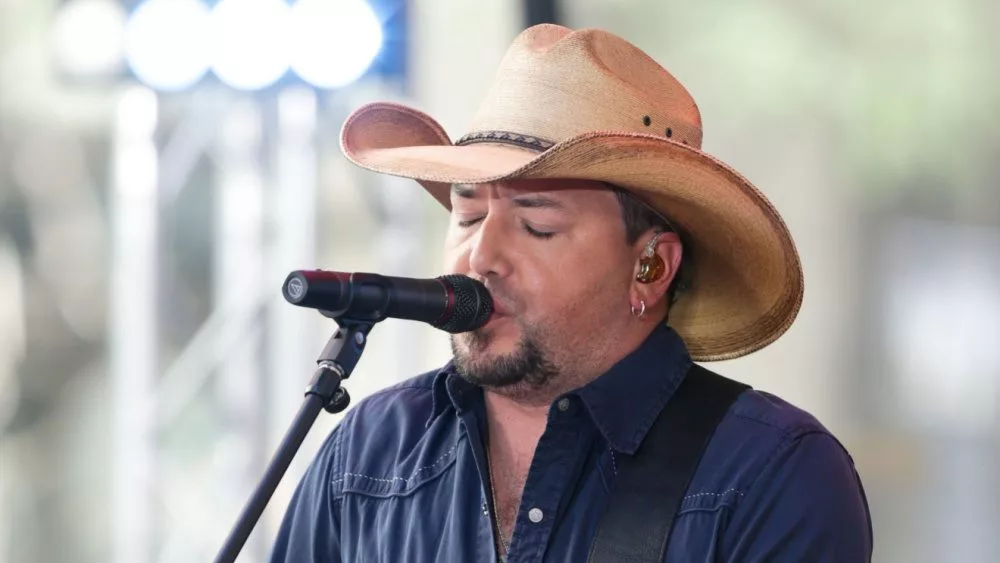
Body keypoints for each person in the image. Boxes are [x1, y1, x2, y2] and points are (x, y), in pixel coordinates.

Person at [270, 24, 873, 562]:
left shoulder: (771, 475)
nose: (480, 257)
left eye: (539, 226)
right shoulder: (371, 451)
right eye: (468, 215)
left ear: (651, 268)